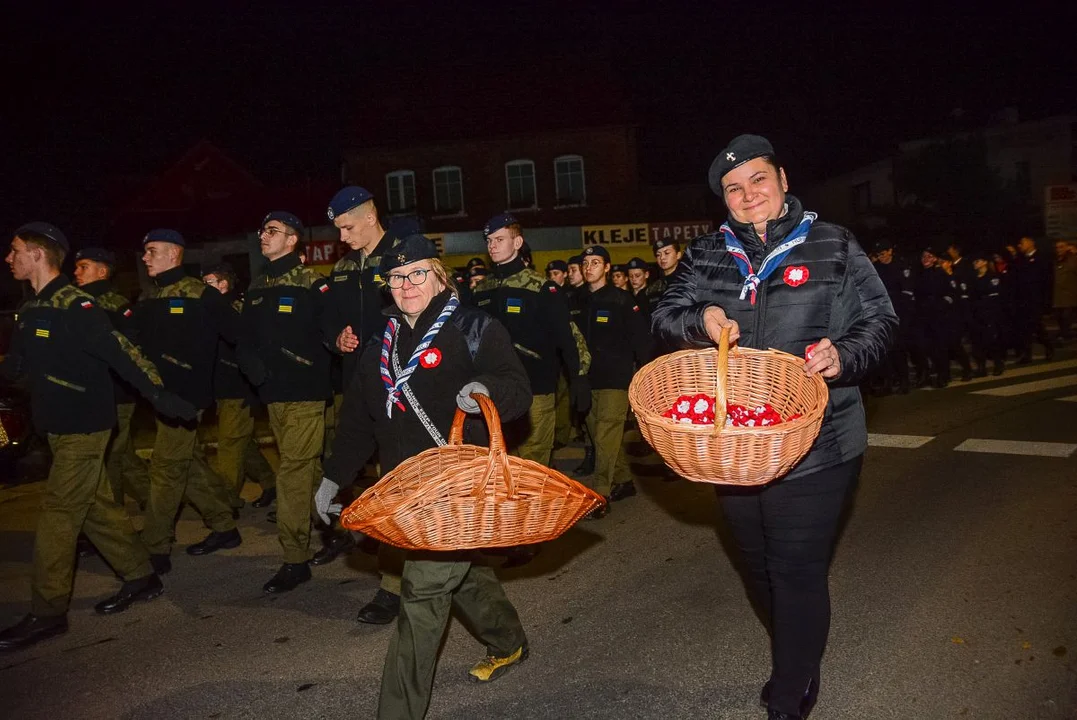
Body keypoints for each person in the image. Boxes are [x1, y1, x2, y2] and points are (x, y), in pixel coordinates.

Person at [652, 135, 896, 720]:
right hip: (733, 443)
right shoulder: (706, 253)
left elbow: (880, 320)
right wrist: (697, 318)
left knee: (795, 565)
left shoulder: (833, 244)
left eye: (757, 179)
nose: (747, 194)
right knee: (756, 561)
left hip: (820, 438)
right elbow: (664, 314)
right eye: (733, 188)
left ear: (783, 179)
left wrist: (844, 355)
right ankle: (797, 642)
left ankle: (792, 683)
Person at [314, 234, 532, 719]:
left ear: (439, 276)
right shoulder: (380, 344)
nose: (407, 284)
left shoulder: (474, 327)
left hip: (459, 486)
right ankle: (509, 640)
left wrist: (487, 388)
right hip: (406, 491)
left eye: (417, 273)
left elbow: (518, 389)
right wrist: (334, 476)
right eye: (396, 276)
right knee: (464, 573)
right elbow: (358, 422)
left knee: (424, 589)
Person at [0, 222, 195, 651]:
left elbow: (122, 353)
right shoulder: (30, 309)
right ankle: (140, 576)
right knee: (94, 507)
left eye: (15, 250)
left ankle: (47, 611)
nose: (8, 258)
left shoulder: (77, 305)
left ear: (37, 254)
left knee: (58, 513)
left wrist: (158, 394)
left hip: (85, 425)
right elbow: (19, 366)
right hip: (54, 426)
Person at [133, 229, 244, 575]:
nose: (145, 257)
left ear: (173, 253)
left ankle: (155, 546)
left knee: (166, 469)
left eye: (152, 251)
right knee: (186, 464)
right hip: (161, 398)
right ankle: (224, 525)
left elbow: (237, 335)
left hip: (187, 399)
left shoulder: (202, 296)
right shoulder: (149, 297)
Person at [238, 211, 336, 592]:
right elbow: (244, 336)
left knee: (292, 472)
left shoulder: (312, 283)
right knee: (308, 469)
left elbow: (330, 331)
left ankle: (295, 558)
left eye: (273, 231)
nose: (264, 236)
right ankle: (338, 529)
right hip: (272, 395)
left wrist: (338, 341)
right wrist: (253, 368)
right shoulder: (257, 285)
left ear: (292, 240)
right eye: (262, 230)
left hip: (306, 392)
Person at [472, 213, 589, 467]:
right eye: (489, 240)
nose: (492, 245)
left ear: (517, 243)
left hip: (535, 389)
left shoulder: (541, 288)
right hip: (494, 389)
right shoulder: (482, 290)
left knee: (533, 465)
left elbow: (567, 338)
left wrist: (578, 379)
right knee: (501, 463)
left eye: (499, 239)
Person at [573, 245, 652, 511]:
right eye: (586, 263)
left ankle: (598, 494)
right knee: (600, 434)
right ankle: (623, 480)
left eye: (595, 262)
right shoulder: (577, 300)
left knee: (606, 432)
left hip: (616, 379)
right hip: (588, 380)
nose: (589, 267)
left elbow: (641, 341)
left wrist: (644, 379)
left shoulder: (622, 300)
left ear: (607, 267)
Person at [73, 247, 150, 506]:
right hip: (93, 392)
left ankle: (116, 524)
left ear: (102, 271)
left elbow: (131, 348)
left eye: (84, 267)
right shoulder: (77, 304)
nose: (76, 272)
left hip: (118, 394)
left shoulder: (116, 306)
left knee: (111, 459)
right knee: (123, 454)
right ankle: (157, 504)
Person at [201, 263, 277, 513]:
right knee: (241, 443)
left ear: (224, 285)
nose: (204, 288)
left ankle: (226, 504)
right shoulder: (213, 310)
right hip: (223, 389)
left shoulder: (234, 309)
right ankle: (269, 482)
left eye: (209, 283)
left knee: (229, 447)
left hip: (238, 390)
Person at [1013, 236, 1054, 363]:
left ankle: (1048, 347)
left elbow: (1047, 280)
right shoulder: (1021, 260)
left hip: (1036, 299)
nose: (1020, 245)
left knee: (1036, 326)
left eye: (1022, 242)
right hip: (1023, 300)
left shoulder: (1041, 258)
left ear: (1031, 242)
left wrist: (1046, 301)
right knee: (1025, 328)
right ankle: (1027, 354)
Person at [970, 255, 1006, 376]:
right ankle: (981, 367)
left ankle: (998, 363)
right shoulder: (973, 278)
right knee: (977, 342)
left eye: (978, 260)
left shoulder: (992, 277)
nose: (975, 263)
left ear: (984, 262)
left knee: (991, 341)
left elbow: (994, 296)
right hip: (976, 313)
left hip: (989, 313)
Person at [1053, 240, 1077, 343]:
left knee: (1066, 316)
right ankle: (1065, 334)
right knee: (1059, 316)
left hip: (1069, 294)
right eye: (1057, 247)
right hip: (1058, 295)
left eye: (1061, 247)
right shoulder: (1056, 260)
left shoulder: (1073, 259)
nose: (1059, 249)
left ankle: (1065, 335)